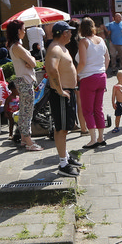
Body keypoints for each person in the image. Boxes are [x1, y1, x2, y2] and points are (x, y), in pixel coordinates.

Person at [45, 22, 83, 176]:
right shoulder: (55, 48)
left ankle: (65, 157)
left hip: (68, 92)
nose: (72, 35)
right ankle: (63, 164)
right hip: (61, 94)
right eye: (70, 32)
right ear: (63, 33)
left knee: (64, 127)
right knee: (61, 129)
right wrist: (60, 90)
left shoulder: (62, 48)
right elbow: (52, 69)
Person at [7, 21, 42, 152]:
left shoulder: (14, 46)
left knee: (23, 111)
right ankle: (28, 141)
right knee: (27, 112)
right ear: (18, 31)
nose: (25, 31)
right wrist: (30, 60)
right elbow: (33, 62)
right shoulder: (17, 47)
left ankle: (23, 138)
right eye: (23, 29)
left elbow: (30, 61)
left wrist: (29, 60)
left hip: (22, 81)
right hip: (25, 81)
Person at [76, 18, 109, 148]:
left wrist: (75, 74)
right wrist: (102, 71)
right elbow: (107, 58)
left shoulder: (84, 42)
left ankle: (93, 139)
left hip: (88, 78)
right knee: (98, 109)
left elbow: (82, 62)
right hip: (101, 76)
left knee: (88, 110)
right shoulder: (101, 40)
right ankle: (101, 137)